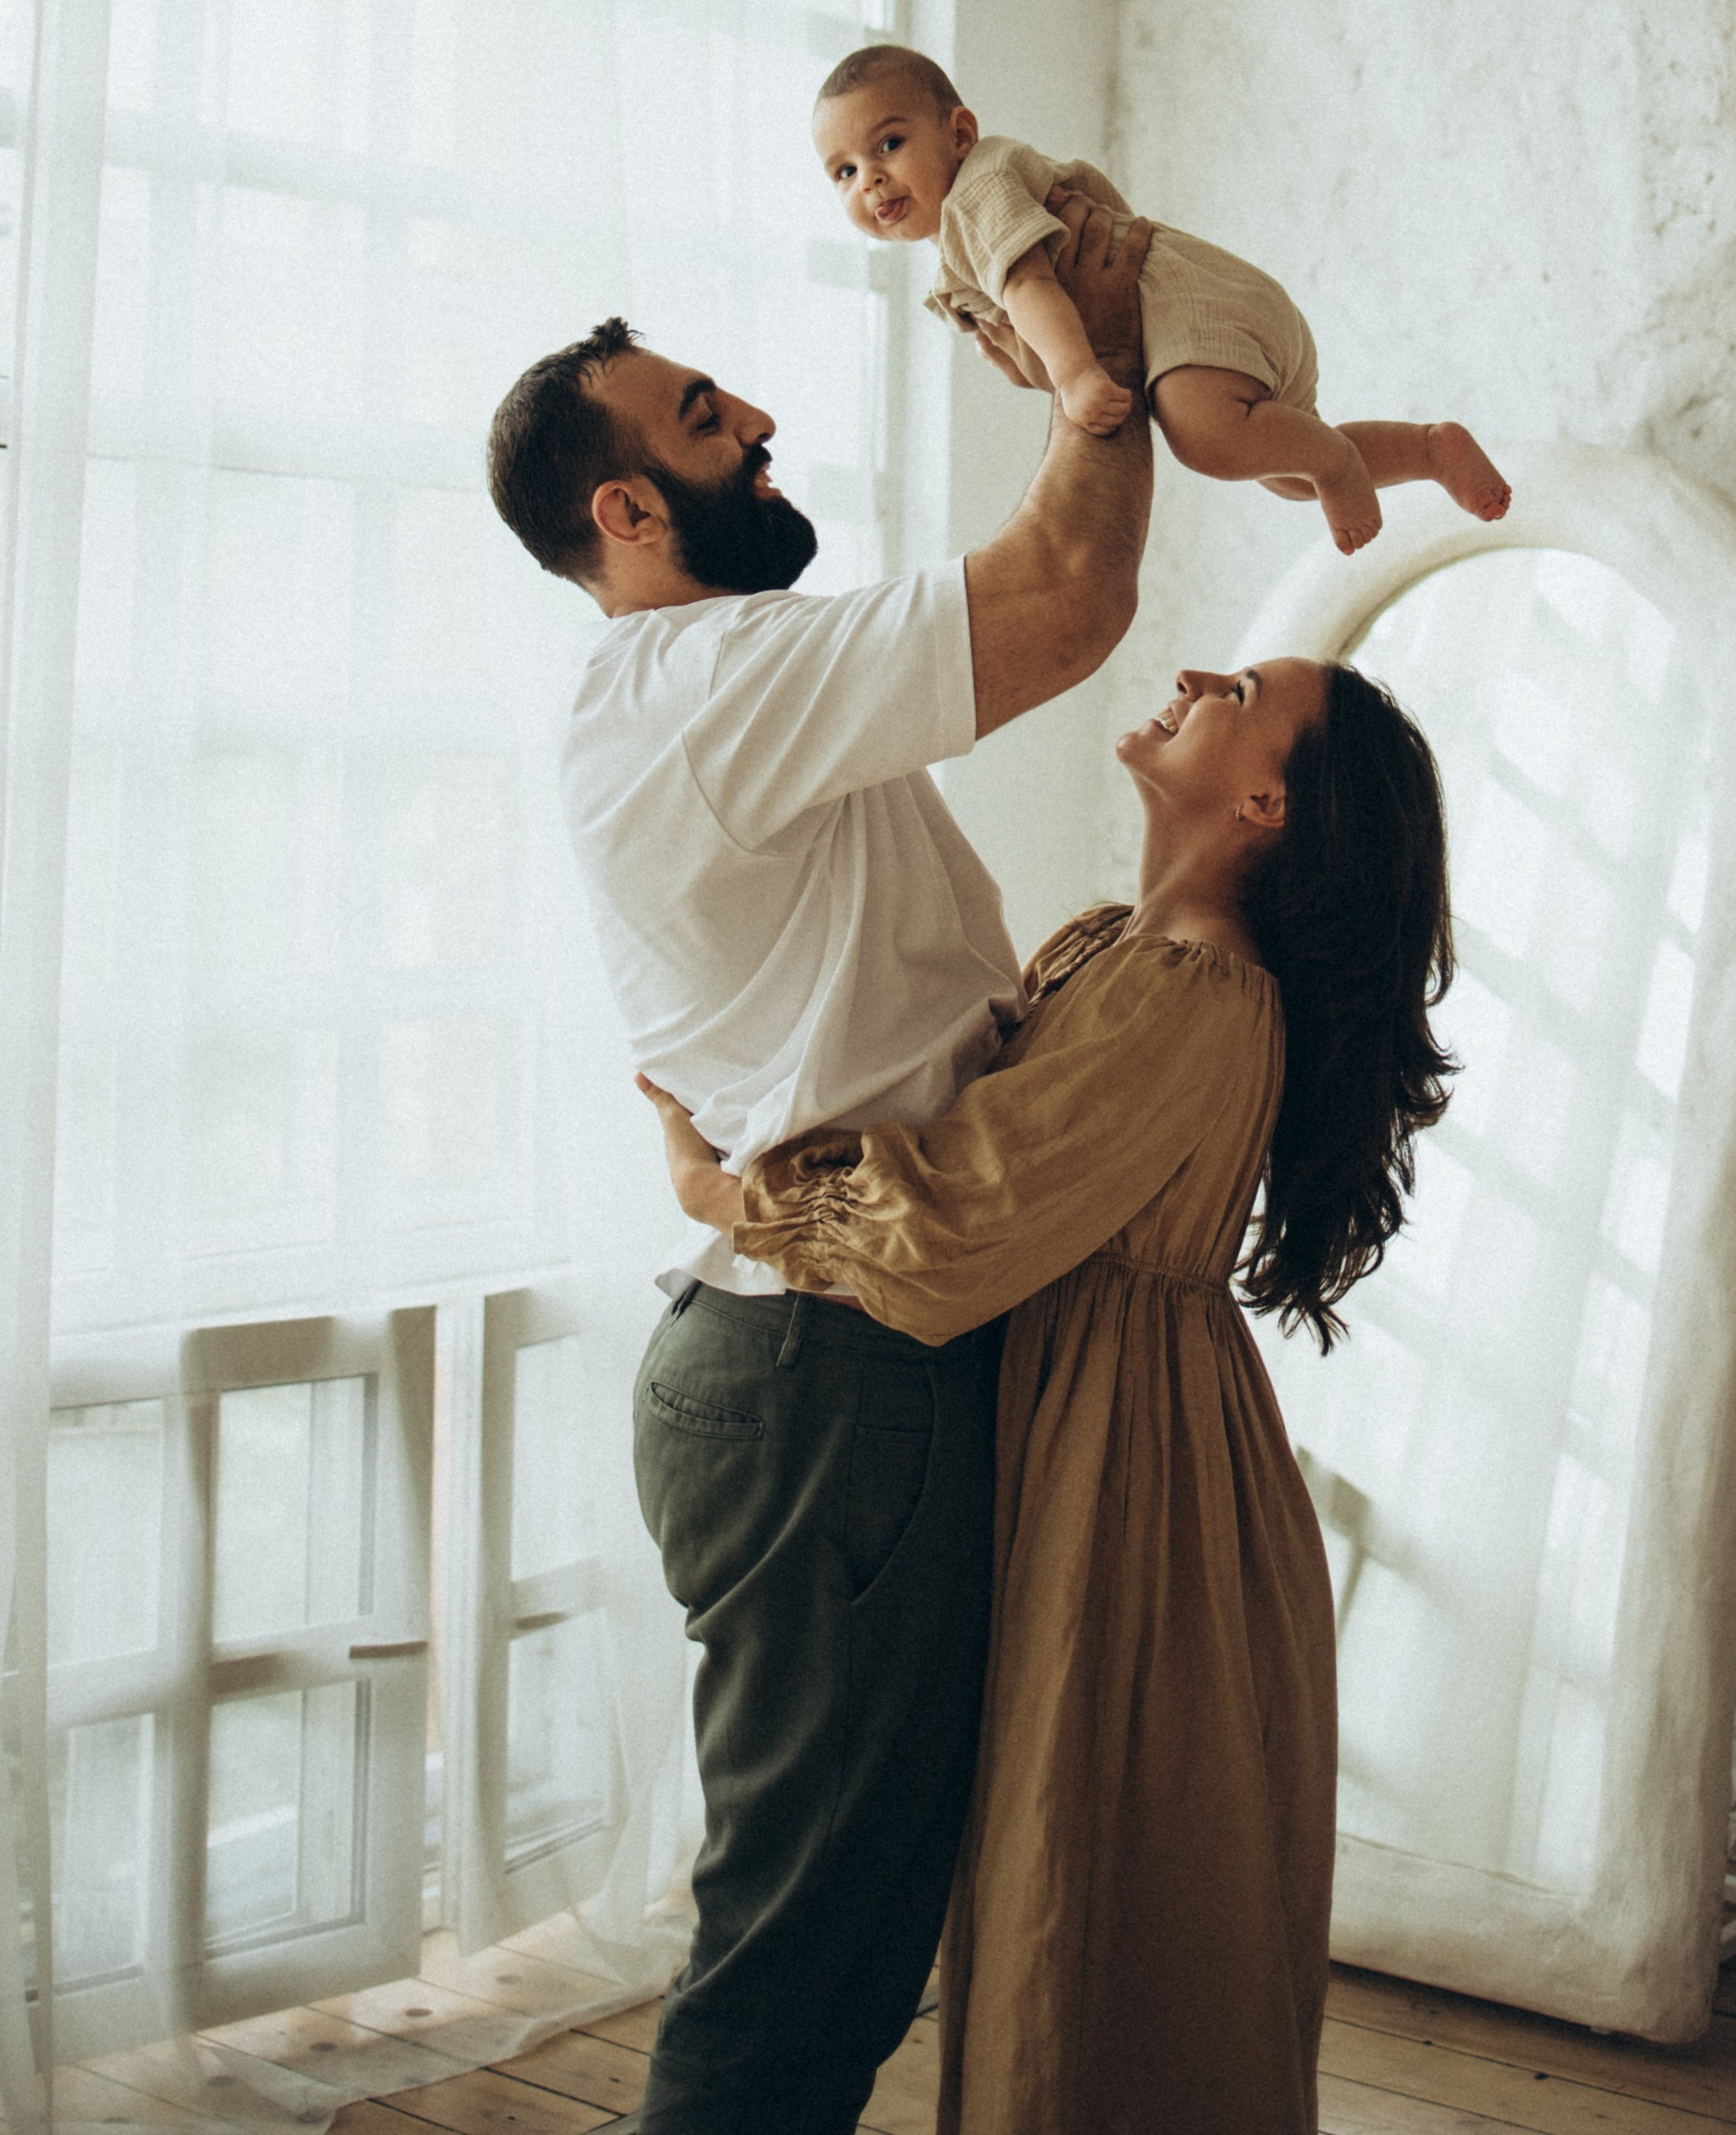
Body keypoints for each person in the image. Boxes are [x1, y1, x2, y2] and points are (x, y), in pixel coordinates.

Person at [483, 195, 1152, 2135]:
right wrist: (1098, 367)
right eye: (706, 416)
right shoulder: (705, 676)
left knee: (837, 1938)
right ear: (625, 511)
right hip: (821, 1374)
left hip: (812, 1352)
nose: (760, 419)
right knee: (801, 1964)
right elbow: (1066, 593)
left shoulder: (698, 691)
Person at [643, 648, 1458, 2135]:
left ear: (1267, 801)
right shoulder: (1117, 951)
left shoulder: (1195, 992)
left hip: (1130, 1467)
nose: (1196, 675)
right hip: (1089, 1417)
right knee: (1053, 1879)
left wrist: (723, 1186)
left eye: (1241, 691)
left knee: (1101, 1889)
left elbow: (958, 1223)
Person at [812, 41, 1511, 556]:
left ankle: (1337, 460)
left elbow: (1033, 288)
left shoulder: (979, 191)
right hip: (1219, 322)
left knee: (1210, 440)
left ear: (959, 134)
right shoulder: (959, 251)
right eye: (843, 172)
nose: (869, 180)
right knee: (1286, 473)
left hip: (1196, 309)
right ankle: (1428, 450)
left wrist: (1075, 376)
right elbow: (1050, 328)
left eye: (889, 144)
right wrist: (1034, 367)